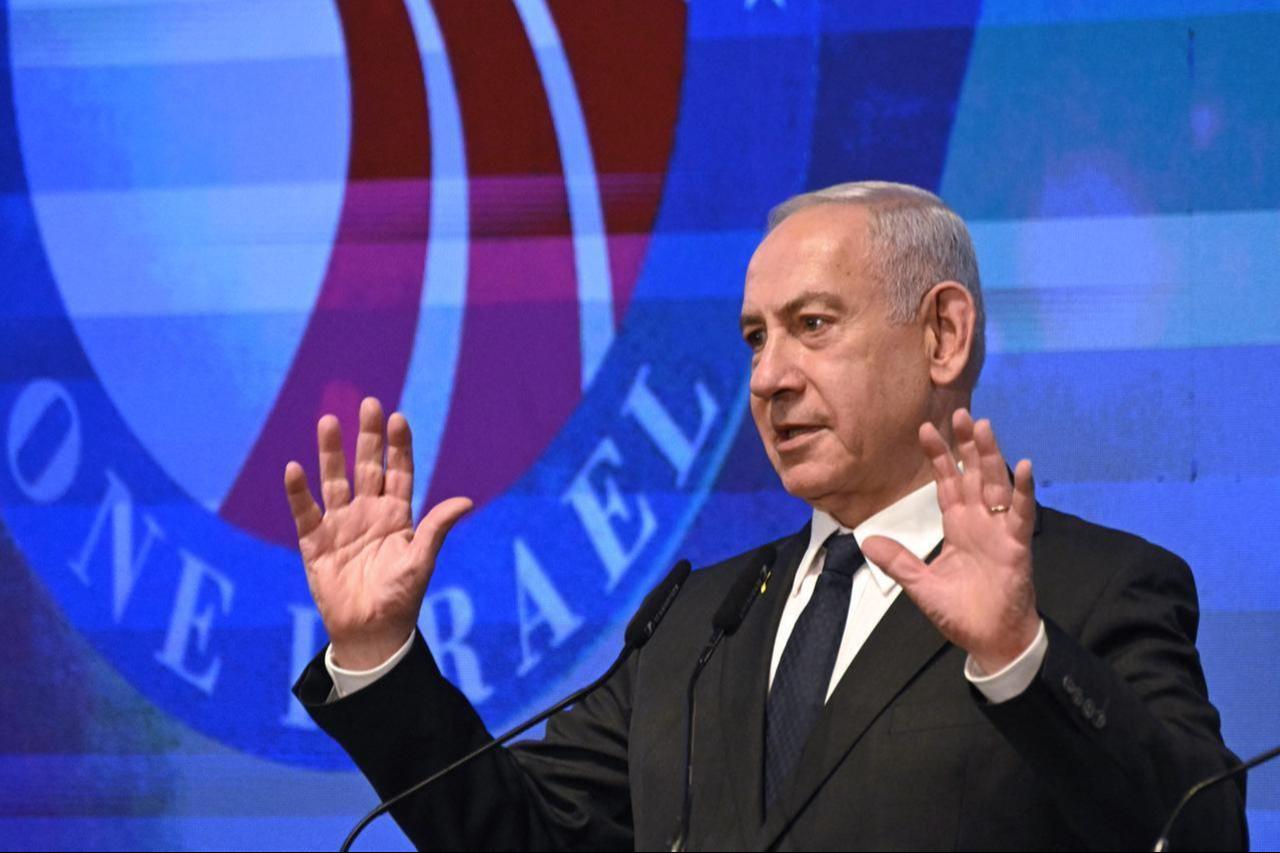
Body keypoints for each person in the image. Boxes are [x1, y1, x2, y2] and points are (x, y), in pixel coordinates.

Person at [286, 181, 1247, 850]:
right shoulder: (696, 621)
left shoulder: (1091, 590)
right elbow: (528, 835)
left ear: (943, 333)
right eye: (755, 337)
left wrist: (1019, 655)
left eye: (814, 326)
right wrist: (379, 657)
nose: (769, 378)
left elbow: (1196, 833)